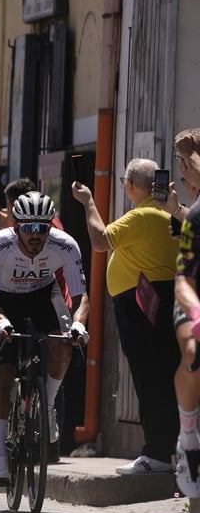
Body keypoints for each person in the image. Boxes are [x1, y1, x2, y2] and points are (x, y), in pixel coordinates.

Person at [73, 160, 181, 475]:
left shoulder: (143, 214)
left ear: (131, 184)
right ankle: (166, 450)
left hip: (142, 304)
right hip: (159, 300)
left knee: (150, 377)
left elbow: (99, 239)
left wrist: (88, 201)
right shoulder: (168, 214)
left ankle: (157, 453)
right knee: (162, 376)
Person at [0, 192, 89, 484]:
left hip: (44, 294)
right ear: (16, 227)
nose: (35, 235)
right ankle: (0, 455)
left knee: (63, 342)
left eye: (42, 228)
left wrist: (78, 325)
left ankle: (49, 404)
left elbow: (81, 297)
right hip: (6, 301)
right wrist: (1, 321)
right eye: (28, 228)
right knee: (2, 374)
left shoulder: (65, 245)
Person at [171, 128, 200, 497]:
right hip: (193, 297)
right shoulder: (196, 215)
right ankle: (188, 436)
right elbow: (183, 282)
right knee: (193, 350)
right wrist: (196, 313)